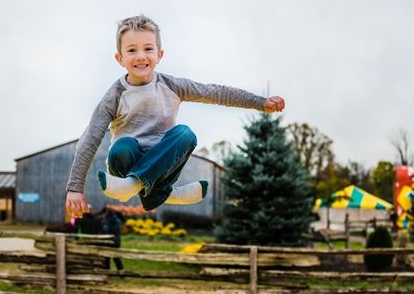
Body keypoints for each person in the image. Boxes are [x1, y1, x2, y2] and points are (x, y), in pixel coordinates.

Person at [65, 14, 285, 219]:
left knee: (185, 134)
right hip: (125, 164)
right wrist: (75, 187)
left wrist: (260, 102)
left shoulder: (172, 86)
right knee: (124, 146)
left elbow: (217, 93)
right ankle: (165, 191)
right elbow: (90, 139)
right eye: (132, 50)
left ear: (159, 55)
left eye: (148, 49)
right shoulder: (115, 95)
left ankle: (142, 185)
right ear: (119, 58)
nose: (141, 56)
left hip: (163, 165)